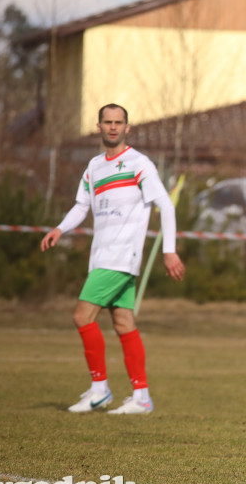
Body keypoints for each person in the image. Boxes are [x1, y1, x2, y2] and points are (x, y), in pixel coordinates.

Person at [40, 103, 185, 415]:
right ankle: (142, 397)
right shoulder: (94, 167)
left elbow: (166, 206)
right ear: (99, 126)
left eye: (119, 122)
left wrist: (168, 250)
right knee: (123, 323)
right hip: (102, 255)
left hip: (121, 256)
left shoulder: (139, 164)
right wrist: (60, 228)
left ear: (127, 128)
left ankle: (99, 389)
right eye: (108, 122)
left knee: (82, 317)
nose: (113, 127)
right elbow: (82, 206)